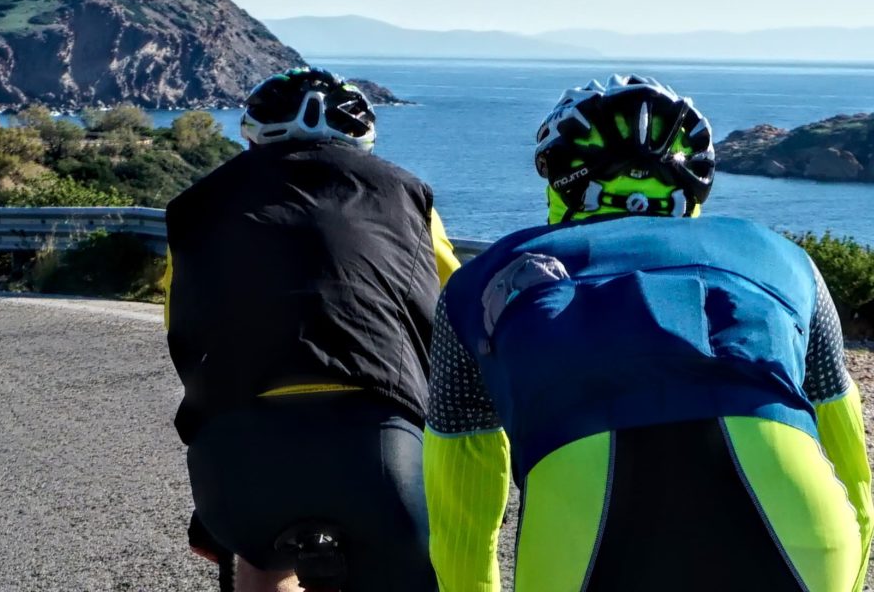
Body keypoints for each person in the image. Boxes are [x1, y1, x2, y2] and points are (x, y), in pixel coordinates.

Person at [424, 75, 873, 592]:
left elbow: (462, 511)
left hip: (586, 535)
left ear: (558, 180)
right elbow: (852, 471)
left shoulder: (478, 283)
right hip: (804, 531)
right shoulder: (787, 261)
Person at [164, 67, 459, 592]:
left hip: (239, 450)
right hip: (379, 448)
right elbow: (454, 310)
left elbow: (180, 328)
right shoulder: (406, 196)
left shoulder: (194, 208)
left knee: (259, 558)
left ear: (253, 133)